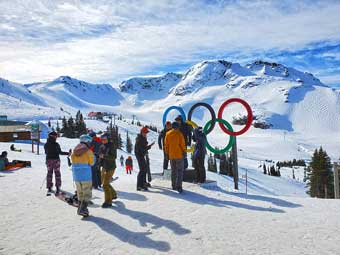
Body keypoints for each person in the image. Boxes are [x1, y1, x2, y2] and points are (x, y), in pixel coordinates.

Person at [70, 135, 95, 217]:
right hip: (86, 175)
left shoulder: (74, 151)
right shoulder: (88, 151)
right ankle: (82, 209)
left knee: (80, 193)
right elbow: (91, 163)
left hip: (76, 176)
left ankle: (81, 210)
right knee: (87, 193)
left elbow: (72, 161)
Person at [164, 122, 186, 193]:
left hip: (171, 156)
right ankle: (179, 186)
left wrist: (167, 154)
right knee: (180, 171)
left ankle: (173, 186)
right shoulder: (179, 134)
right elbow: (182, 144)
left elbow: (166, 145)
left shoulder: (168, 134)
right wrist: (184, 152)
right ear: (178, 127)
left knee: (173, 171)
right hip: (179, 155)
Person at [99, 133, 117, 208]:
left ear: (108, 139)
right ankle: (113, 194)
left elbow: (114, 157)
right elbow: (101, 155)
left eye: (104, 139)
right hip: (104, 167)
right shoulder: (102, 146)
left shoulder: (111, 146)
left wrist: (104, 156)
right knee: (105, 183)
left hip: (110, 167)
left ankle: (108, 201)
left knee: (105, 184)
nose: (103, 140)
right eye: (102, 139)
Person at [135, 127, 154, 191]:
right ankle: (139, 185)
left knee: (144, 169)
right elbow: (142, 149)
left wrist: (148, 147)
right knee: (142, 169)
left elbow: (144, 148)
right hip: (139, 155)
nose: (145, 134)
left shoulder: (142, 138)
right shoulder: (139, 139)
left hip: (141, 155)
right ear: (142, 132)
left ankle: (143, 183)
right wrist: (149, 147)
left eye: (146, 133)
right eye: (145, 132)